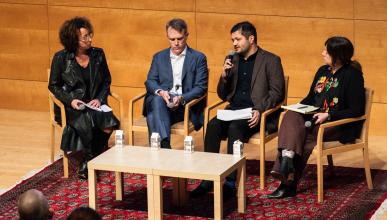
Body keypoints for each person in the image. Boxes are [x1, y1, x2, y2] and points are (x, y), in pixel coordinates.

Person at [190, 21, 285, 198]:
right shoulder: (232, 59)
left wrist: (259, 109)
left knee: (235, 128)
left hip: (255, 113)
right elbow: (222, 95)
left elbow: (277, 93)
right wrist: (224, 76)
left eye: (238, 39)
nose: (234, 43)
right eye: (232, 39)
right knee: (212, 126)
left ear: (251, 38)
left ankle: (231, 182)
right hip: (233, 110)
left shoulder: (271, 60)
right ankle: (207, 179)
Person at [268, 36, 365, 199]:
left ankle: (287, 182)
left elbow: (357, 109)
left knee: (304, 136)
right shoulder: (322, 71)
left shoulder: (352, 75)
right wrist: (299, 108)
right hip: (314, 118)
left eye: (326, 51)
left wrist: (329, 115)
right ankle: (287, 156)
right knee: (290, 115)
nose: (322, 53)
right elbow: (310, 98)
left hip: (337, 124)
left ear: (338, 55)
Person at [48, 17, 120, 179]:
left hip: (95, 103)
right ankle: (90, 162)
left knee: (110, 123)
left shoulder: (98, 54)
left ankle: (89, 159)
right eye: (85, 37)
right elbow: (53, 86)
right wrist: (70, 100)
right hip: (72, 106)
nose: (90, 39)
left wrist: (100, 99)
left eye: (90, 35)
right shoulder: (60, 58)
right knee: (87, 118)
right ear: (73, 40)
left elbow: (107, 80)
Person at [143, 18, 208, 148]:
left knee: (152, 115)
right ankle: (165, 146)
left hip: (185, 106)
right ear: (167, 37)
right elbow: (150, 81)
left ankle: (161, 150)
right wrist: (161, 92)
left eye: (180, 38)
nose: (176, 43)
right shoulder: (159, 57)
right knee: (158, 100)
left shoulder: (198, 58)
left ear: (187, 36)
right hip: (163, 103)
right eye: (172, 39)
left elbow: (201, 87)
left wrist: (181, 98)